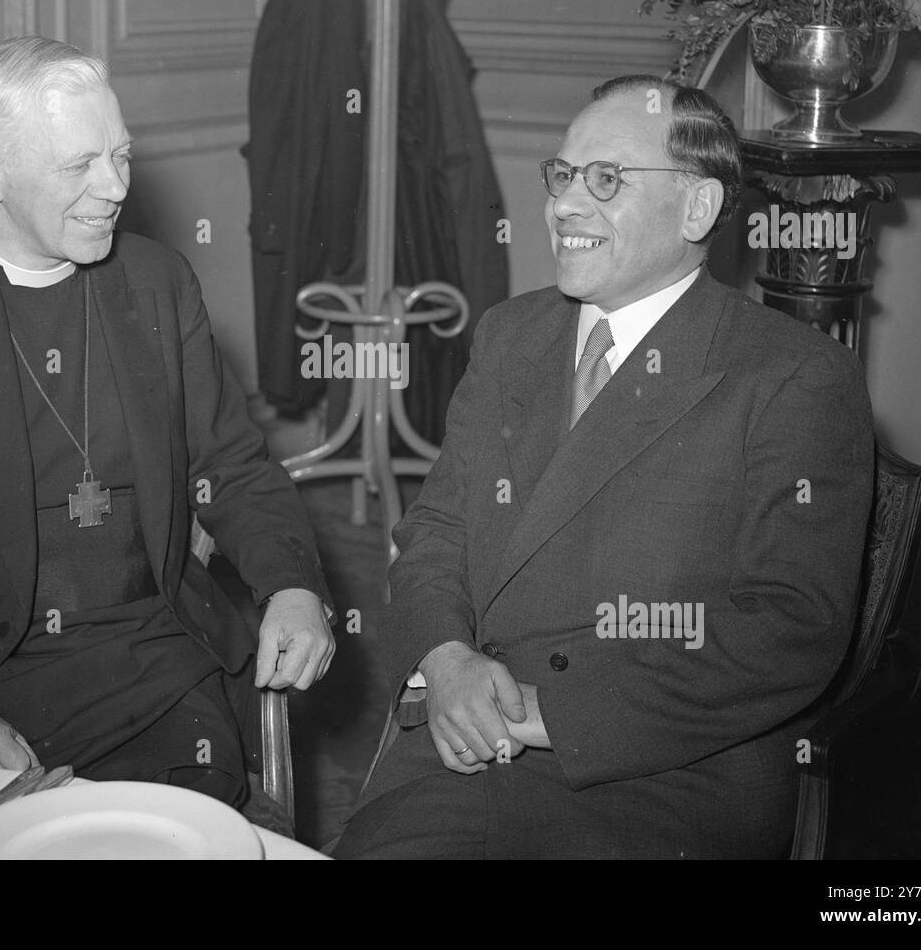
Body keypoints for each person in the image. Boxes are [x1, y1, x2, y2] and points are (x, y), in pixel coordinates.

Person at [334, 75, 875, 859]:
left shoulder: (792, 376)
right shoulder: (512, 333)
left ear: (698, 208)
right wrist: (446, 658)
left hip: (659, 776)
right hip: (468, 737)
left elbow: (792, 627)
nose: (563, 205)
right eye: (562, 175)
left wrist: (549, 713)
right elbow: (436, 527)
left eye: (607, 179)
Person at [0, 36, 335, 811]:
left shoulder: (157, 283)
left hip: (156, 661)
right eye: (79, 164)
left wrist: (289, 582)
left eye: (121, 154)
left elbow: (235, 465)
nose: (115, 186)